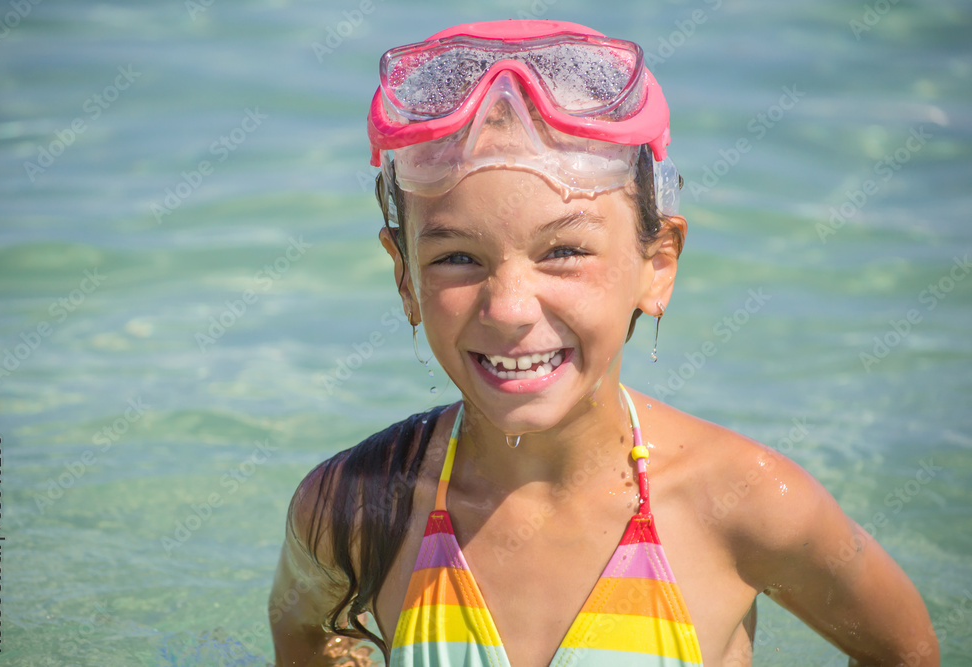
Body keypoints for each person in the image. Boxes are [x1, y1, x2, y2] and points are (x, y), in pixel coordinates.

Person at [270, 19, 938, 667]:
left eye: (562, 250)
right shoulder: (354, 510)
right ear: (404, 277)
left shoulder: (744, 504)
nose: (508, 307)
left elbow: (903, 652)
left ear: (659, 263)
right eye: (457, 257)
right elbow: (306, 637)